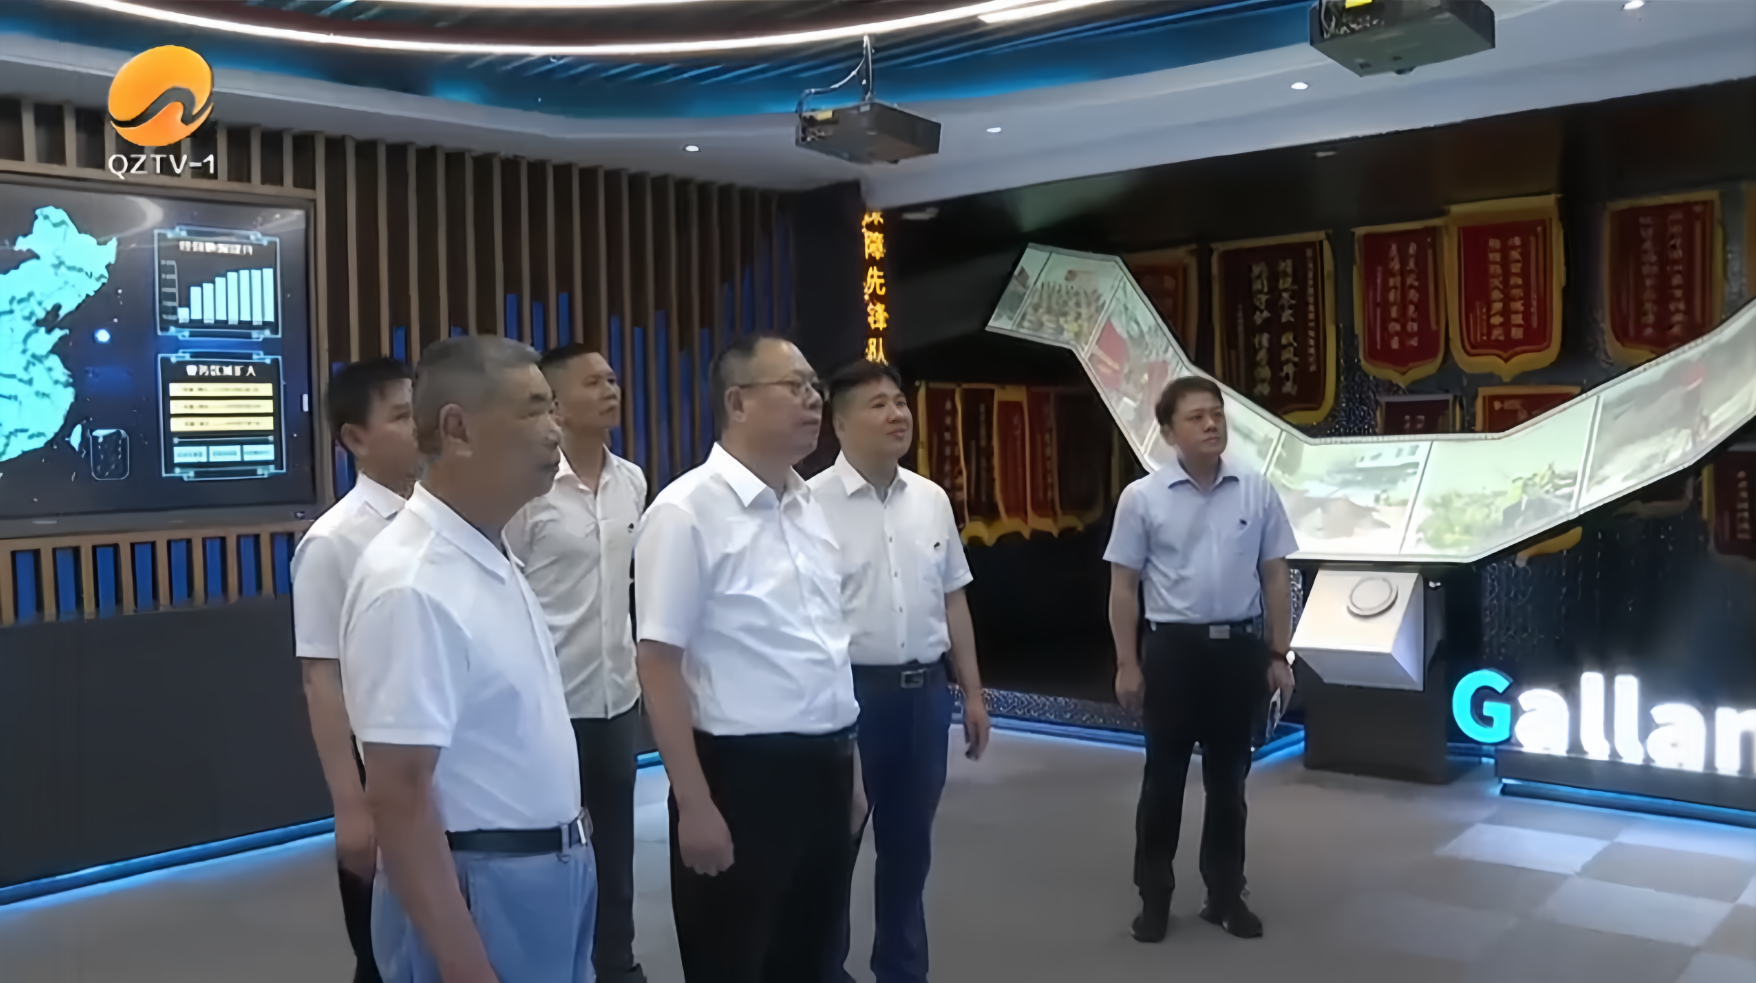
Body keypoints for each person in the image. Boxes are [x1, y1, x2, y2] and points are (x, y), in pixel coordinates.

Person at [340, 335, 593, 983]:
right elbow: (399, 797)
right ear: (457, 429)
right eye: (532, 409)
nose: (555, 429)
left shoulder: (489, 553)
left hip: (550, 874)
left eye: (553, 408)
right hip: (479, 887)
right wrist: (462, 961)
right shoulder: (412, 581)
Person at [634, 333, 864, 983]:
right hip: (740, 777)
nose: (813, 399)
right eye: (794, 386)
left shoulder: (808, 505)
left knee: (813, 960)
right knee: (733, 961)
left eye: (815, 387)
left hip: (826, 767)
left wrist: (850, 774)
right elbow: (658, 662)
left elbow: (826, 648)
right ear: (737, 402)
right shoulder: (685, 511)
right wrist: (694, 801)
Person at [811, 359, 991, 983]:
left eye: (900, 402)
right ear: (839, 423)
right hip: (848, 700)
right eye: (878, 405)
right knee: (834, 851)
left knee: (909, 852)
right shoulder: (808, 505)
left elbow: (953, 599)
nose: (897, 415)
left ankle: (902, 971)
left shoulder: (931, 499)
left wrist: (972, 693)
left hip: (924, 698)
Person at [1105, 375, 1296, 944]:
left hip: (1238, 651)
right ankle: (1154, 897)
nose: (1212, 424)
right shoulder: (1142, 498)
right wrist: (1127, 662)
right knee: (1163, 782)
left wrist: (1278, 653)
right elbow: (1123, 587)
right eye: (1196, 417)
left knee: (1229, 782)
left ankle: (1225, 894)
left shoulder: (1256, 491)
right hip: (1172, 652)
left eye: (1217, 414)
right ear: (1168, 433)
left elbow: (1276, 575)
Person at [507, 344, 648, 983]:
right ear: (557, 405)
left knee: (616, 852)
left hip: (616, 698)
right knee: (551, 855)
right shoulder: (530, 491)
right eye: (593, 382)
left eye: (612, 379)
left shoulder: (633, 481)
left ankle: (616, 964)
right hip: (547, 706)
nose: (610, 389)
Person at [292, 357, 421, 983]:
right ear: (354, 438)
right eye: (402, 416)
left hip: (444, 773)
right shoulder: (333, 542)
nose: (421, 428)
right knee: (387, 957)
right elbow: (322, 679)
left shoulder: (449, 522)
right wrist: (351, 805)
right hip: (382, 776)